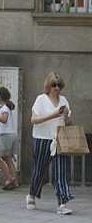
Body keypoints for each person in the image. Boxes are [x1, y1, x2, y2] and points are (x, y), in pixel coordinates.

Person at [27, 72, 74, 215]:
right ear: (49, 85)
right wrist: (53, 115)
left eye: (59, 85)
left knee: (60, 172)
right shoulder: (41, 99)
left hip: (58, 139)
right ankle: (32, 195)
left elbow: (69, 123)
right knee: (39, 170)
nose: (57, 88)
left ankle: (62, 203)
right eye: (54, 85)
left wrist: (65, 116)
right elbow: (34, 120)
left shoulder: (64, 100)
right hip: (42, 138)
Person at [0, 87, 19, 190]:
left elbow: (4, 120)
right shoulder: (7, 107)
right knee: (8, 159)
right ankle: (15, 182)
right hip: (12, 134)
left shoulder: (4, 108)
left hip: (6, 135)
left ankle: (9, 177)